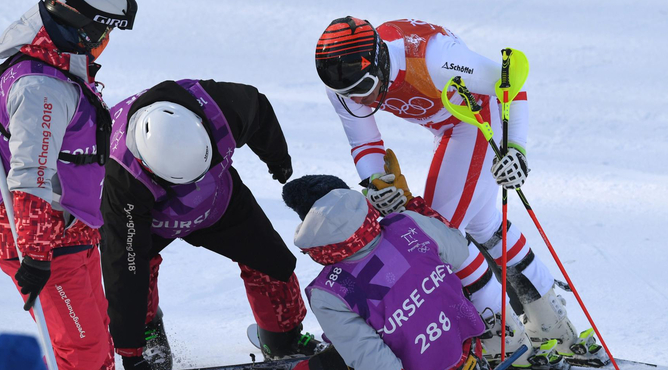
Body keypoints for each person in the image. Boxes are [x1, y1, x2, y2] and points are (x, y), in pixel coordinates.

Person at [314, 17, 607, 368]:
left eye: (365, 85)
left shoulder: (433, 58)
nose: (359, 98)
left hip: (477, 121)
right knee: (485, 229)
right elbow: (364, 140)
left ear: (379, 61)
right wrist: (378, 184)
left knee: (435, 237)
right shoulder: (343, 83)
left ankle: (504, 341)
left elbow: (510, 80)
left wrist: (515, 148)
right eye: (348, 94)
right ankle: (553, 328)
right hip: (449, 128)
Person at [100, 79, 324, 370]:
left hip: (219, 200)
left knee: (272, 261)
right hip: (149, 222)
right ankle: (146, 336)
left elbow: (259, 110)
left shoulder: (219, 106)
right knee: (137, 273)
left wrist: (277, 158)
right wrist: (130, 353)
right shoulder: (121, 179)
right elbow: (123, 269)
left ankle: (283, 338)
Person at [284, 151, 566, 370]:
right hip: (467, 355)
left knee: (336, 358)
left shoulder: (329, 292)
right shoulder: (406, 224)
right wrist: (411, 204)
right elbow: (458, 248)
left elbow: (373, 361)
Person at [0, 1, 137, 370]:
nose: (103, 44)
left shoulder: (56, 65)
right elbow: (30, 175)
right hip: (42, 243)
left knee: (96, 339)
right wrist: (35, 255)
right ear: (78, 26)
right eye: (101, 35)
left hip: (72, 228)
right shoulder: (40, 87)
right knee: (83, 352)